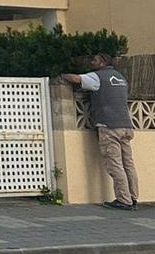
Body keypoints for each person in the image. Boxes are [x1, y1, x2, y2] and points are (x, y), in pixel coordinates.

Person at [60, 52, 139, 210]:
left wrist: (62, 76)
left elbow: (77, 79)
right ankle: (133, 197)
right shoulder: (121, 78)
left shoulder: (98, 77)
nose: (92, 62)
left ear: (102, 62)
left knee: (115, 164)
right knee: (128, 164)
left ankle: (123, 200)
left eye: (94, 60)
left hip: (109, 126)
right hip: (126, 126)